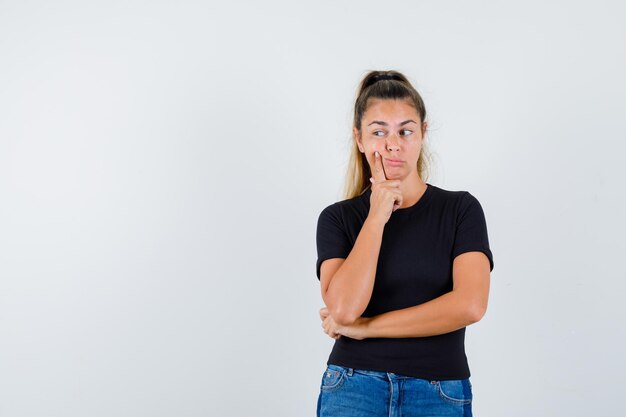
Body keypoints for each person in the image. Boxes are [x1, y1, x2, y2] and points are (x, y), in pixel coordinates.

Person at [315, 70, 494, 417]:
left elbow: (470, 305)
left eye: (405, 130)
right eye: (378, 131)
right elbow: (344, 309)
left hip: (438, 391)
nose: (393, 144)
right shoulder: (338, 219)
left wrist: (365, 329)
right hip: (353, 387)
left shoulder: (460, 210)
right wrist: (377, 215)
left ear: (423, 133)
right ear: (360, 138)